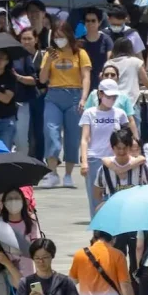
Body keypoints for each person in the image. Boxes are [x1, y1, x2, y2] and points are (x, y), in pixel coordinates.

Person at [39, 20, 92, 188]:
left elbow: (86, 77)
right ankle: (52, 173)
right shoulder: (49, 54)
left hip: (75, 96)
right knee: (51, 131)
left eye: (61, 36)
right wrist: (48, 62)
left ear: (69, 35)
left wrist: (84, 98)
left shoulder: (80, 53)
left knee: (73, 136)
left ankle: (68, 174)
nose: (59, 40)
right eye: (56, 37)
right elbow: (41, 79)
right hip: (53, 95)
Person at [79, 80, 130, 216]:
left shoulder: (120, 113)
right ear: (100, 94)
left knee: (116, 195)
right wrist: (84, 162)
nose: (111, 100)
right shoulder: (89, 113)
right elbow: (84, 139)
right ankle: (97, 232)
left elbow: (127, 138)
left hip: (115, 159)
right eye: (109, 96)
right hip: (95, 159)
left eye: (114, 97)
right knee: (96, 198)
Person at [93, 129, 148, 213]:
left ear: (130, 147)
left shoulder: (141, 166)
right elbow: (97, 193)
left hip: (136, 210)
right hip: (112, 210)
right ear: (112, 148)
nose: (121, 151)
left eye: (125, 148)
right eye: (118, 148)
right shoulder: (105, 168)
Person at [0, 188, 42, 276]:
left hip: (29, 272)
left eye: (16, 198)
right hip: (7, 272)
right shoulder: (0, 222)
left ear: (23, 201)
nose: (13, 201)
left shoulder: (31, 220)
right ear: (4, 203)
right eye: (9, 199)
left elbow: (37, 246)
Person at [11, 27, 42, 158]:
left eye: (29, 38)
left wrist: (17, 77)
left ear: (35, 40)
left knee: (23, 139)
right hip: (6, 103)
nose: (26, 41)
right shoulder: (10, 55)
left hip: (24, 102)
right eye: (24, 38)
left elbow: (34, 80)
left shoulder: (25, 57)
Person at [79, 8, 114, 82]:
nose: (90, 23)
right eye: (87, 21)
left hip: (102, 79)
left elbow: (110, 60)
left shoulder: (106, 40)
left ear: (99, 22)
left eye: (93, 21)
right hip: (84, 79)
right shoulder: (80, 42)